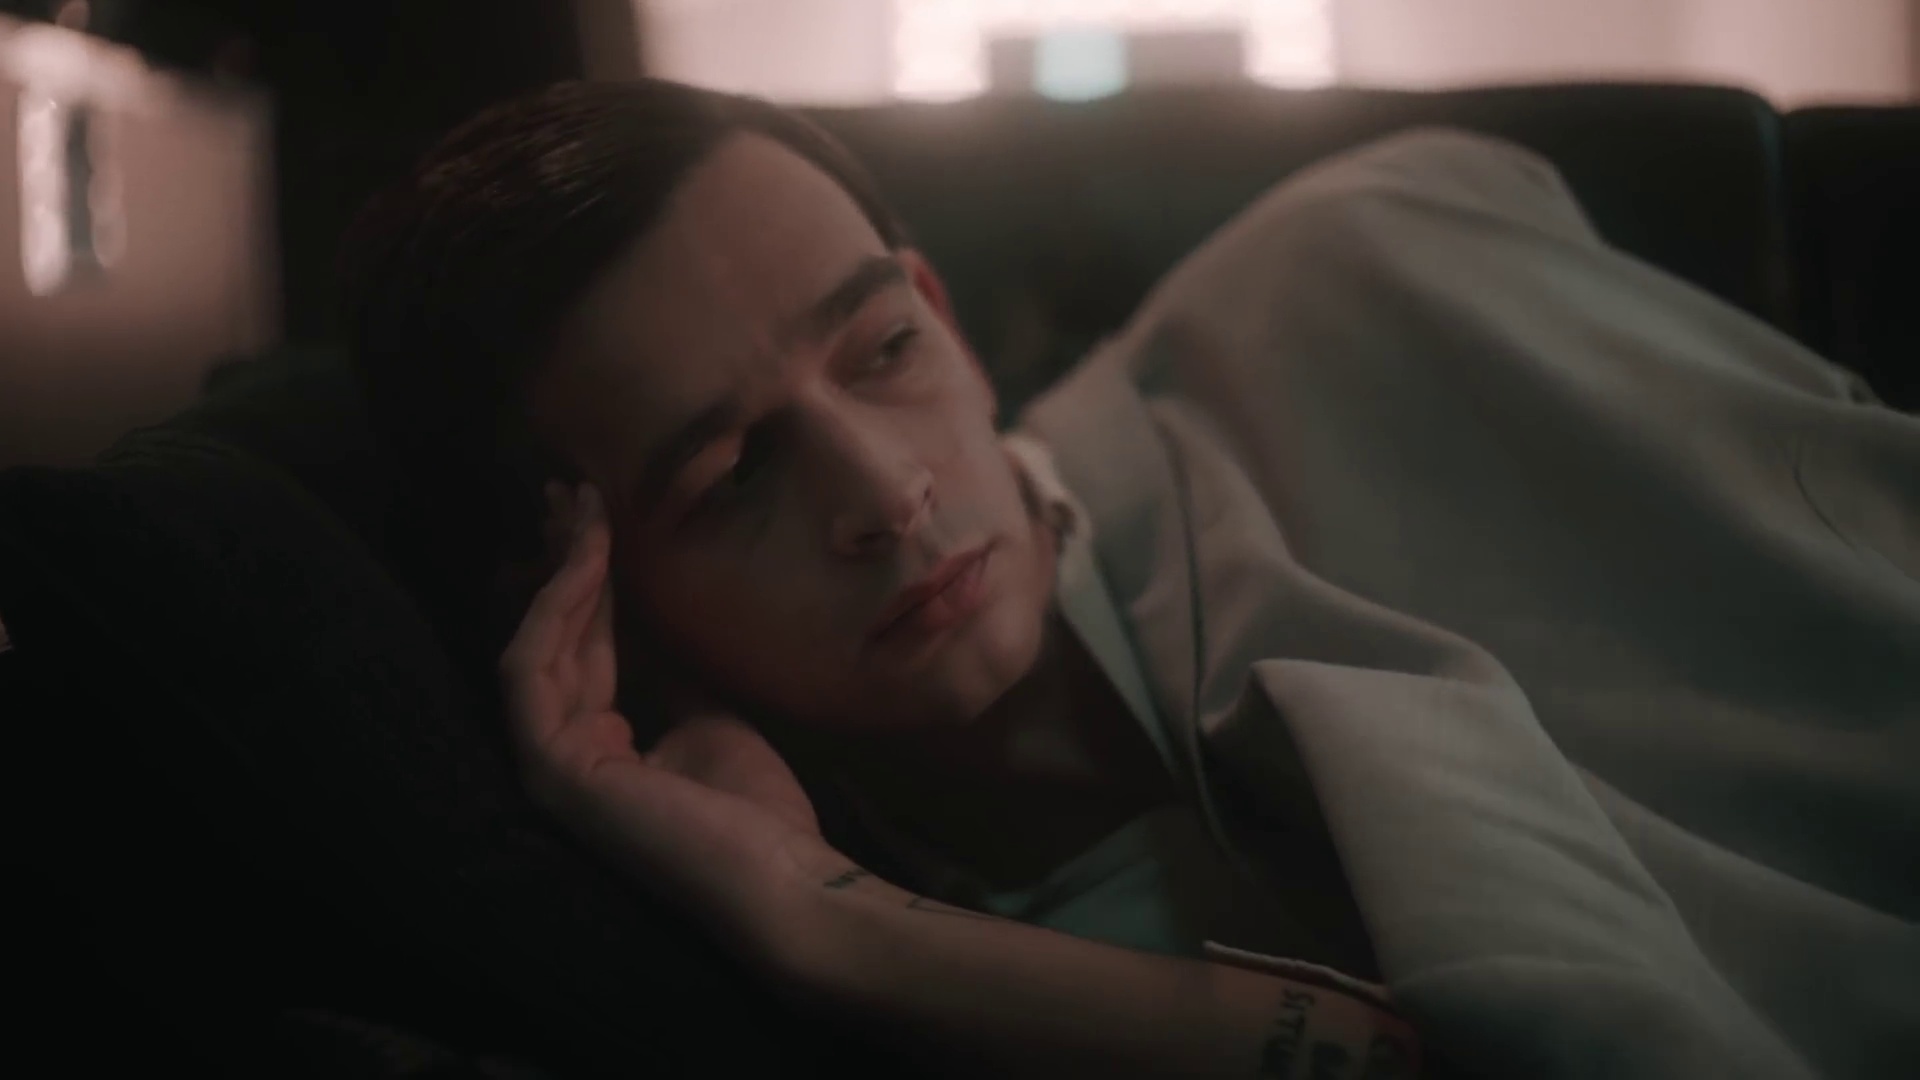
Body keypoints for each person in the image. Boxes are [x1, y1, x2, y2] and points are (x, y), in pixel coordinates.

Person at [345, 79, 1919, 1080]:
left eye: (883, 347)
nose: (885, 494)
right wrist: (837, 927)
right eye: (733, 475)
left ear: (944, 314)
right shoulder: (854, 936)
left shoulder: (1349, 279)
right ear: (586, 592)